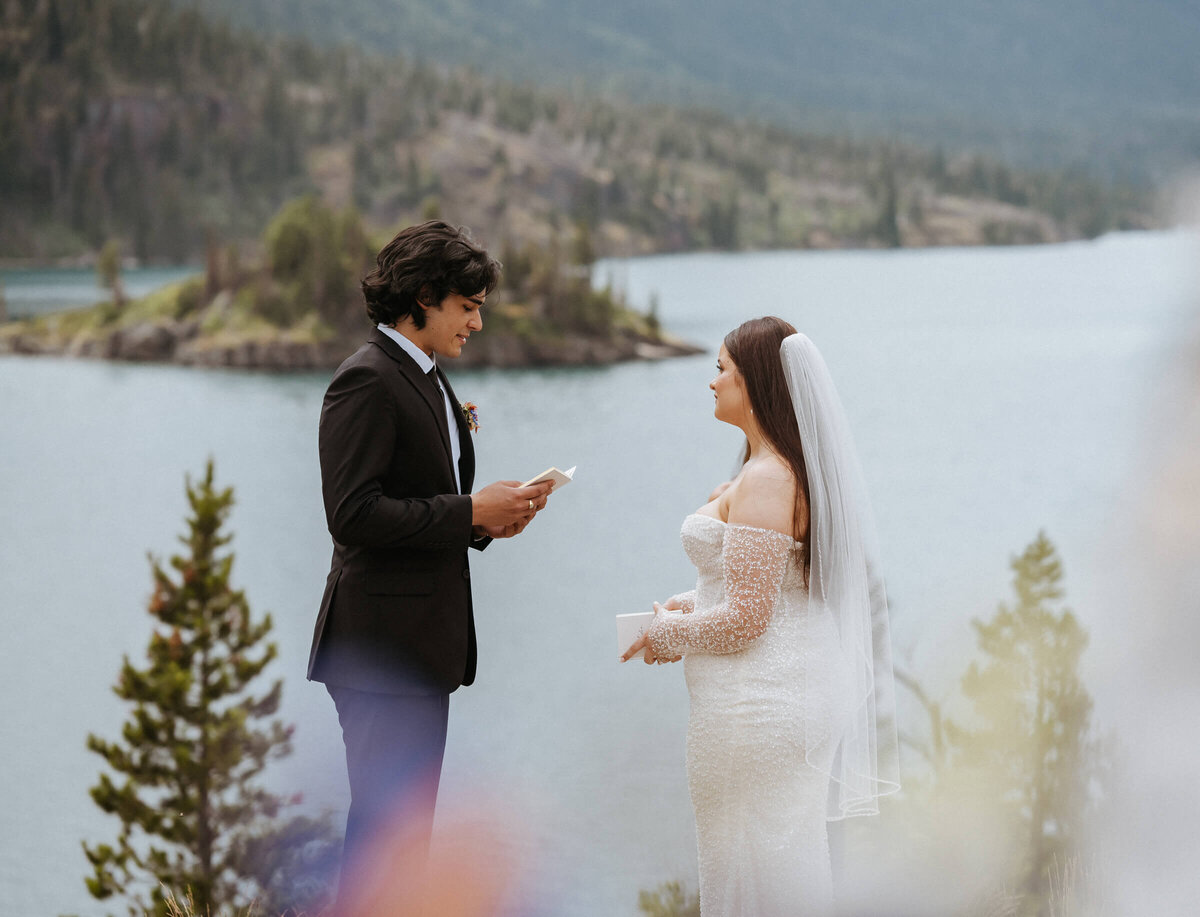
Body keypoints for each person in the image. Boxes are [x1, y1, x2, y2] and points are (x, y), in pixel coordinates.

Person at [307, 221, 554, 909]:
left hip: (419, 649)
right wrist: (470, 512)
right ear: (422, 296)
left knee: (406, 834)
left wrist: (490, 520)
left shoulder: (429, 381)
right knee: (387, 833)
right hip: (379, 651)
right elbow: (351, 514)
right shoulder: (365, 380)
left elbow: (428, 503)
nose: (477, 321)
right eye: (467, 305)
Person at [622, 316, 900, 916]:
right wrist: (689, 603)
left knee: (759, 865)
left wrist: (668, 634)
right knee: (764, 859)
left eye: (722, 369)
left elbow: (748, 617)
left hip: (760, 707)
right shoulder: (775, 468)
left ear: (756, 384)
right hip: (772, 695)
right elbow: (773, 590)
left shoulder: (770, 477)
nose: (713, 380)